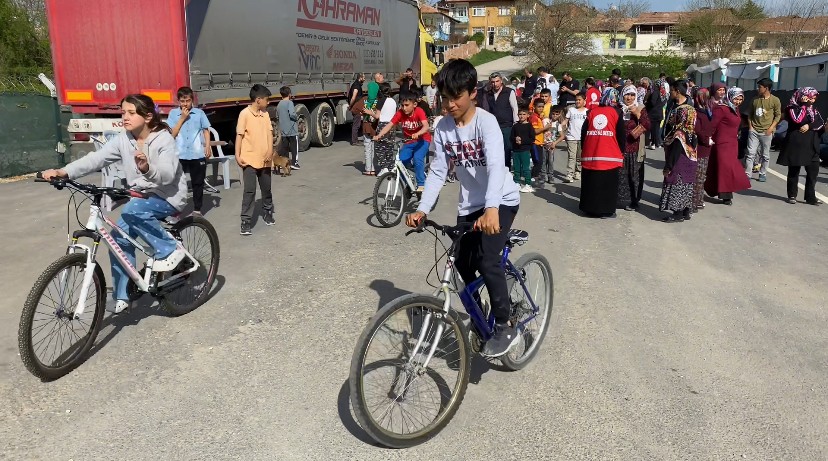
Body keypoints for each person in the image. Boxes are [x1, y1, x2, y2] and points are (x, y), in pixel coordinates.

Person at [407, 58, 521, 357]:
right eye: (444, 97)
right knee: (460, 263)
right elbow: (437, 171)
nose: (448, 105)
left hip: (501, 199)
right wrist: (423, 209)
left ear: (472, 92)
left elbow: (497, 165)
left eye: (454, 97)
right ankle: (480, 311)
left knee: (487, 260)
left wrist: (493, 208)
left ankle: (504, 323)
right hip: (470, 203)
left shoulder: (486, 122)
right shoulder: (443, 127)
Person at [41, 94, 188, 314]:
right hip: (142, 196)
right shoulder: (123, 139)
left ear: (148, 116)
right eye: (123, 112)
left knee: (132, 209)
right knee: (117, 239)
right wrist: (63, 171)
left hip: (168, 195)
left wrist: (147, 168)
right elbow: (96, 159)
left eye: (131, 112)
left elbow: (167, 176)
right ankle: (123, 296)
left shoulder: (163, 139)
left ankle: (169, 251)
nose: (124, 117)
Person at [579, 88, 625, 218]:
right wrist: (621, 152)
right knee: (607, 185)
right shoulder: (616, 112)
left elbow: (583, 133)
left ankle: (589, 209)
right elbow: (621, 135)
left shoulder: (591, 112)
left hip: (591, 154)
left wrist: (585, 149)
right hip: (609, 155)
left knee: (591, 183)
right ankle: (606, 211)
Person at [236, 84, 275, 235]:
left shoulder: (265, 114)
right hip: (249, 159)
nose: (268, 102)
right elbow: (239, 136)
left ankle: (267, 212)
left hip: (265, 160)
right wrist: (238, 156)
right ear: (258, 100)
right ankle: (246, 221)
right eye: (267, 99)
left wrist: (270, 151)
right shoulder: (244, 114)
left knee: (267, 189)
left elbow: (270, 134)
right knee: (250, 191)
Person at [167, 86, 211, 216]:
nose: (185, 104)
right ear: (178, 101)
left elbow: (205, 130)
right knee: (177, 183)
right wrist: (182, 118)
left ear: (192, 100)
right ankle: (176, 210)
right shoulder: (173, 114)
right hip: (179, 154)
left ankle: (197, 209)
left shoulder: (199, 113)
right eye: (182, 101)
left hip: (197, 154)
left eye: (188, 101)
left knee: (198, 182)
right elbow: (172, 134)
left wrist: (207, 146)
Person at [373, 93, 431, 192]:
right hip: (409, 142)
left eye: (407, 105)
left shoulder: (419, 111)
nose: (404, 108)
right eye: (402, 105)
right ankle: (407, 184)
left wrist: (418, 133)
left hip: (422, 140)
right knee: (400, 162)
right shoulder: (400, 113)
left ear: (415, 104)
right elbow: (389, 125)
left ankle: (421, 184)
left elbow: (426, 126)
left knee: (417, 158)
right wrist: (379, 135)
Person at [777, 87, 825, 205]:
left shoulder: (814, 110)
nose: (813, 98)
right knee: (794, 170)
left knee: (813, 171)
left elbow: (820, 123)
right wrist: (803, 105)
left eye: (814, 96)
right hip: (797, 144)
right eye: (811, 96)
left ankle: (810, 197)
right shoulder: (792, 108)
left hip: (812, 144)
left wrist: (809, 126)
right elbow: (797, 119)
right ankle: (792, 195)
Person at [705, 87, 751, 205]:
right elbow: (712, 125)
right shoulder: (722, 109)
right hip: (722, 144)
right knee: (726, 169)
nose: (738, 101)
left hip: (732, 143)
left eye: (741, 99)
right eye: (736, 98)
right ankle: (726, 195)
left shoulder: (735, 109)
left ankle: (719, 191)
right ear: (730, 97)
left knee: (725, 169)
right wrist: (708, 138)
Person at [659, 81, 698, 222]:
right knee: (686, 184)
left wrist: (668, 166)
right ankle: (686, 211)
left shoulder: (679, 132)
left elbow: (676, 147)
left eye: (673, 91)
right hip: (691, 154)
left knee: (677, 183)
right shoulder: (691, 111)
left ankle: (677, 214)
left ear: (677, 91)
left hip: (680, 157)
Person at [618, 84, 650, 211]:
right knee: (620, 175)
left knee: (634, 176)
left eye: (632, 95)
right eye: (627, 94)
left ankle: (634, 201)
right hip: (620, 148)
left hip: (635, 148)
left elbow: (648, 125)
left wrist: (637, 114)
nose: (630, 98)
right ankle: (620, 200)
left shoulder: (640, 108)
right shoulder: (618, 109)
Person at [744, 77, 782, 182]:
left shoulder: (775, 100)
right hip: (754, 131)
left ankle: (762, 173)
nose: (758, 89)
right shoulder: (755, 100)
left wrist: (771, 128)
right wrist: (751, 127)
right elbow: (749, 114)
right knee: (751, 153)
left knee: (765, 155)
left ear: (766, 88)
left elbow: (778, 116)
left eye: (760, 87)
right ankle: (747, 174)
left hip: (767, 131)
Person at [486, 72, 519, 168]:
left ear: (501, 81)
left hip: (507, 125)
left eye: (497, 81)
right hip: (494, 126)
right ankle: (497, 168)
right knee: (495, 148)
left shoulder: (509, 91)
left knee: (507, 148)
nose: (495, 84)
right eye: (492, 82)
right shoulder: (489, 94)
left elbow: (514, 108)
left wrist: (515, 124)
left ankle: (507, 168)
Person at [364, 82, 396, 174]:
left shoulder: (381, 101)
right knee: (389, 147)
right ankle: (391, 167)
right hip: (392, 126)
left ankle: (384, 167)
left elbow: (377, 116)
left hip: (382, 125)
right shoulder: (393, 101)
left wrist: (369, 112)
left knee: (379, 148)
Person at [692, 88, 714, 212]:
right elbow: (697, 130)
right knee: (698, 177)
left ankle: (698, 200)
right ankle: (694, 202)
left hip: (705, 148)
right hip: (699, 148)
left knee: (701, 176)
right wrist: (706, 140)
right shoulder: (696, 111)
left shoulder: (707, 110)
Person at [561, 92, 588, 182]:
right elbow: (565, 121)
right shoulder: (571, 110)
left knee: (579, 157)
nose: (577, 101)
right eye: (576, 100)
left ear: (584, 101)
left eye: (579, 100)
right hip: (571, 136)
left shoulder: (587, 111)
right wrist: (562, 129)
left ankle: (578, 171)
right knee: (571, 156)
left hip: (582, 137)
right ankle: (569, 174)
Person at [511, 107, 535, 192]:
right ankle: (516, 182)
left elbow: (532, 139)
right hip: (516, 150)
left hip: (525, 150)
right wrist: (515, 139)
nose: (522, 116)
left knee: (526, 168)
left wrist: (522, 141)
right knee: (516, 168)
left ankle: (528, 184)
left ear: (528, 115)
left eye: (524, 114)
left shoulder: (529, 126)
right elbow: (511, 137)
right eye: (520, 114)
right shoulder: (515, 126)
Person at [276, 86, 300, 170]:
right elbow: (292, 114)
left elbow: (277, 116)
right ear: (289, 94)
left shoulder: (279, 104)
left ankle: (286, 163)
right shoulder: (289, 103)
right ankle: (294, 163)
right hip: (292, 129)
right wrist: (297, 118)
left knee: (285, 148)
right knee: (294, 147)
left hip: (283, 130)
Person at [542, 105, 564, 185]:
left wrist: (555, 143)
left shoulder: (558, 125)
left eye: (557, 114)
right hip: (543, 144)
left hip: (551, 146)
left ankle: (550, 175)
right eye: (553, 114)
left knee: (550, 161)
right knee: (544, 160)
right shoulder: (545, 121)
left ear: (559, 114)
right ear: (550, 113)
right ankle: (543, 175)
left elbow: (562, 136)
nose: (554, 116)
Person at [645, 77, 667, 150]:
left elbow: (652, 102)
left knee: (653, 129)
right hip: (659, 112)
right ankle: (657, 143)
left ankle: (653, 143)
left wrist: (647, 103)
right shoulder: (663, 93)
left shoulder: (655, 91)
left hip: (653, 113)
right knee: (657, 129)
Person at [349, 73, 365, 145]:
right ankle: (354, 141)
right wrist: (350, 105)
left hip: (356, 106)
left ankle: (355, 140)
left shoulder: (357, 84)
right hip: (356, 107)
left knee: (357, 123)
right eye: (363, 78)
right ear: (360, 78)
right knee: (356, 124)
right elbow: (353, 97)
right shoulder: (356, 86)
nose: (364, 79)